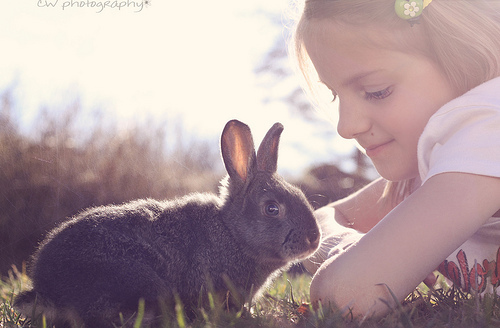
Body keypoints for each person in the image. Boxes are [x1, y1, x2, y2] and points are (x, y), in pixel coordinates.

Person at [289, 0, 500, 317]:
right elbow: (320, 222)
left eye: (376, 90)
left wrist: (359, 264)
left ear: (463, 58)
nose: (346, 127)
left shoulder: (488, 127)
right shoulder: (425, 171)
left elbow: (346, 295)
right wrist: (350, 245)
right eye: (335, 95)